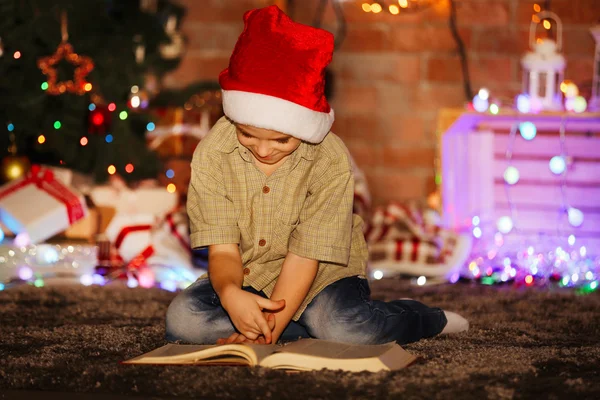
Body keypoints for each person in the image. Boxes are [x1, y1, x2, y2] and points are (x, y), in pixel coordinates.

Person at [165, 5, 468, 346]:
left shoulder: (329, 160)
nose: (263, 151)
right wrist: (232, 294)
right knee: (183, 322)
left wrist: (268, 332)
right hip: (247, 270)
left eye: (281, 139)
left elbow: (304, 259)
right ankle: (294, 327)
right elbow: (223, 253)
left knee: (344, 328)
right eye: (248, 135)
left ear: (303, 127)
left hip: (322, 274)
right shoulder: (213, 153)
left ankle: (421, 317)